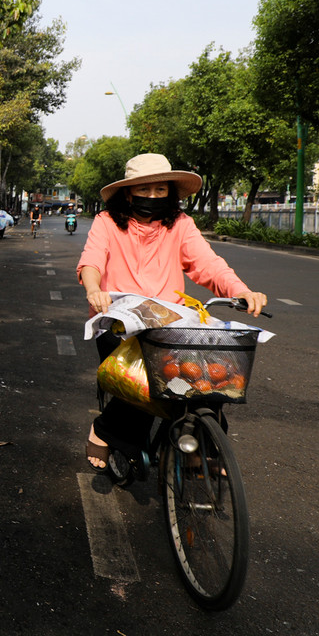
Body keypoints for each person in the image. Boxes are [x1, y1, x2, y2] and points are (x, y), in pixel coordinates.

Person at [76, 154, 267, 471]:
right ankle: (104, 429)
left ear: (170, 193)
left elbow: (208, 265)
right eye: (144, 189)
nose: (152, 196)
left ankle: (191, 443)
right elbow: (92, 261)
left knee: (208, 378)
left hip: (169, 321)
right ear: (128, 192)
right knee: (144, 383)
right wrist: (94, 289)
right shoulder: (106, 222)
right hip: (118, 322)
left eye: (160, 190)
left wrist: (241, 291)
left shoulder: (181, 225)